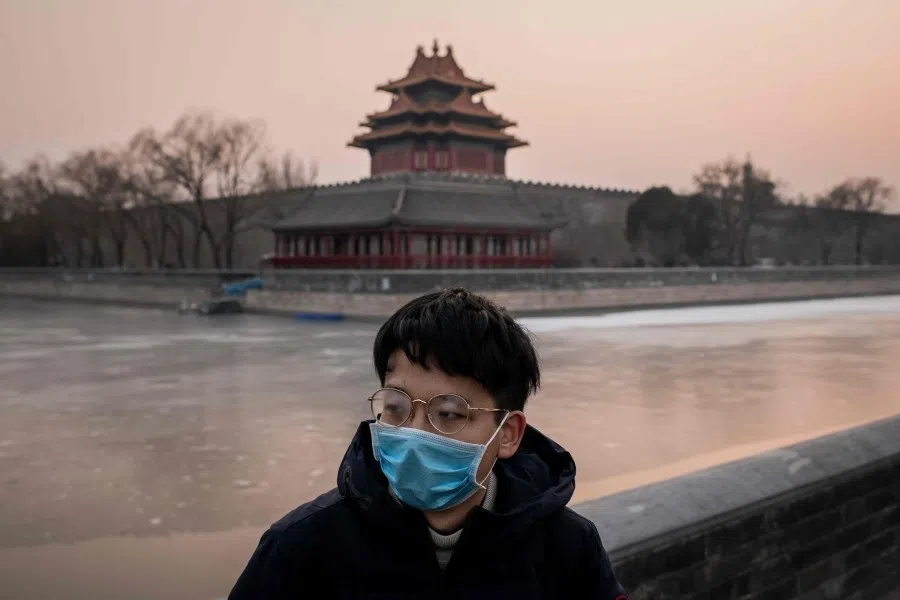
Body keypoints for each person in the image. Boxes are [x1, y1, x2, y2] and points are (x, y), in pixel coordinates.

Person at [228, 288, 627, 599]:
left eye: (449, 413)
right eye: (397, 407)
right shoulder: (302, 547)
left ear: (508, 434)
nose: (414, 432)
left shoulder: (567, 548)